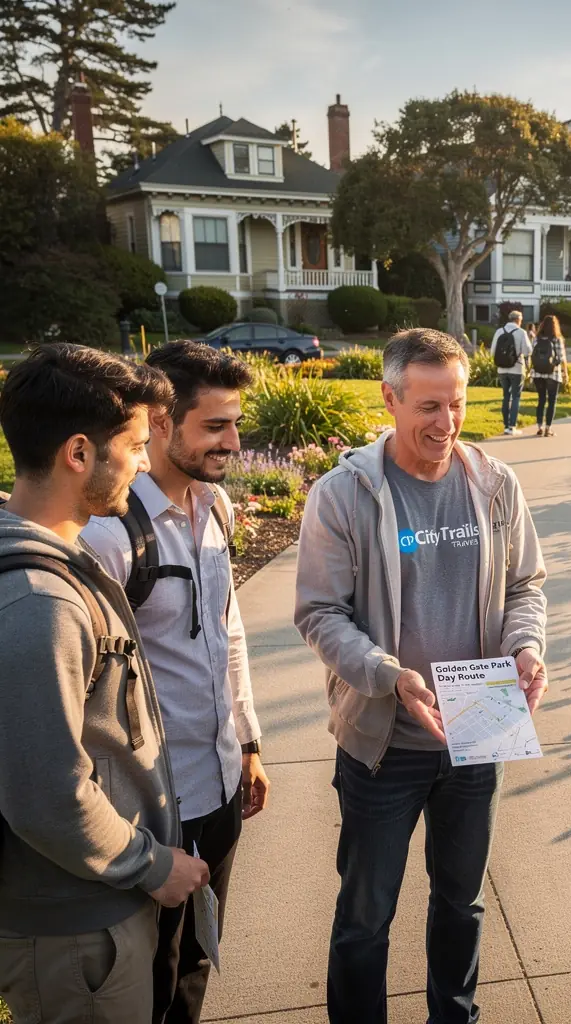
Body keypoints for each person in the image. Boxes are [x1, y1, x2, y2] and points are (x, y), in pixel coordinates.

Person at [294, 328, 549, 1024]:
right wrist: (387, 674)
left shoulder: (495, 483)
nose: (447, 424)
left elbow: (526, 587)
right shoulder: (344, 494)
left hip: (480, 727)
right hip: (384, 745)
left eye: (458, 404)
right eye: (429, 407)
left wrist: (526, 648)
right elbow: (319, 613)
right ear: (390, 397)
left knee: (462, 902)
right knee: (365, 916)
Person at [0, 344, 210, 1024]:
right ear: (80, 453)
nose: (147, 462)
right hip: (76, 933)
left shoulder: (58, 555)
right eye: (137, 445)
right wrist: (154, 867)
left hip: (89, 911)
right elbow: (48, 797)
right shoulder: (41, 603)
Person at [80, 341, 268, 1024]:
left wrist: (247, 742)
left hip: (218, 782)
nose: (233, 442)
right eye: (214, 426)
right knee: (148, 975)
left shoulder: (214, 506)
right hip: (155, 804)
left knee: (195, 958)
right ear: (160, 423)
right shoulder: (110, 535)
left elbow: (229, 630)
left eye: (235, 423)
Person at [490, 310, 532, 435]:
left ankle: (505, 426)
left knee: (505, 396)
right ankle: (512, 427)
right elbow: (528, 351)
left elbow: (492, 352)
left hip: (502, 369)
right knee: (516, 397)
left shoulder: (499, 331)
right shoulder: (521, 332)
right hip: (517, 369)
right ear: (519, 320)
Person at [531, 313, 567, 437]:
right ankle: (548, 428)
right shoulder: (557, 339)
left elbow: (532, 355)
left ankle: (539, 427)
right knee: (552, 401)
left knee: (541, 400)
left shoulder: (536, 338)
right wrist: (565, 373)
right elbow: (561, 358)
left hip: (538, 373)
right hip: (553, 373)